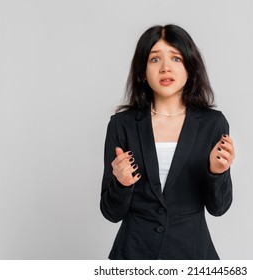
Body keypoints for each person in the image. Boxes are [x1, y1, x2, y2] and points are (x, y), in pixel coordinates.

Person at [100, 24, 235, 260]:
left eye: (176, 58)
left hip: (192, 255)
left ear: (190, 68)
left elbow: (219, 208)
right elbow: (111, 212)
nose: (165, 68)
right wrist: (121, 184)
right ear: (142, 71)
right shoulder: (122, 125)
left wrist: (217, 172)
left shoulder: (213, 124)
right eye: (154, 59)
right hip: (133, 253)